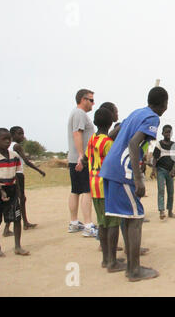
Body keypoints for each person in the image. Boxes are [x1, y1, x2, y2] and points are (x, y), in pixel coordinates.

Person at [100, 86, 168, 282]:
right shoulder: (153, 117)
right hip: (123, 172)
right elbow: (133, 144)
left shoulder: (136, 112)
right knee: (136, 218)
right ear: (164, 104)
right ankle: (134, 270)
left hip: (109, 168)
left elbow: (112, 134)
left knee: (125, 217)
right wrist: (138, 179)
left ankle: (121, 264)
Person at [83, 108, 126, 272]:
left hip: (94, 185)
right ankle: (113, 262)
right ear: (111, 123)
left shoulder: (92, 139)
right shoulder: (108, 143)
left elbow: (87, 158)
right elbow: (115, 163)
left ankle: (105, 259)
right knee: (113, 223)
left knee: (102, 223)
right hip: (107, 186)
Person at [2, 126, 45, 236]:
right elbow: (26, 161)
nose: (23, 136)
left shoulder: (8, 146)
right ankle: (24, 223)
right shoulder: (16, 146)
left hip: (10, 174)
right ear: (13, 135)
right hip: (18, 174)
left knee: (17, 199)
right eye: (20, 134)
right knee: (19, 199)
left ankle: (14, 225)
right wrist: (39, 170)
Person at [67, 89, 97, 237]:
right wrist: (81, 156)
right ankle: (88, 225)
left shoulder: (76, 113)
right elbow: (77, 133)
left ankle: (74, 222)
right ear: (83, 99)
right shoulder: (79, 113)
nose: (93, 103)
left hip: (74, 158)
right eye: (91, 100)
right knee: (87, 191)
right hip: (81, 159)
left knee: (75, 190)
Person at [0, 128, 29, 257]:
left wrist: (19, 193)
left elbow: (17, 175)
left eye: (8, 139)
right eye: (3, 139)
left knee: (17, 219)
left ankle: (17, 246)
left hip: (12, 191)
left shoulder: (14, 156)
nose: (7, 141)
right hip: (0, 191)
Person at [150, 125, 175, 220]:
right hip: (161, 170)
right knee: (161, 190)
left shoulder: (174, 145)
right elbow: (155, 158)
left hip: (170, 171)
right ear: (162, 133)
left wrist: (174, 169)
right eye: (166, 132)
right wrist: (153, 170)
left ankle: (170, 211)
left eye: (169, 132)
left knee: (171, 192)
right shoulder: (159, 144)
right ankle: (162, 211)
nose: (168, 134)